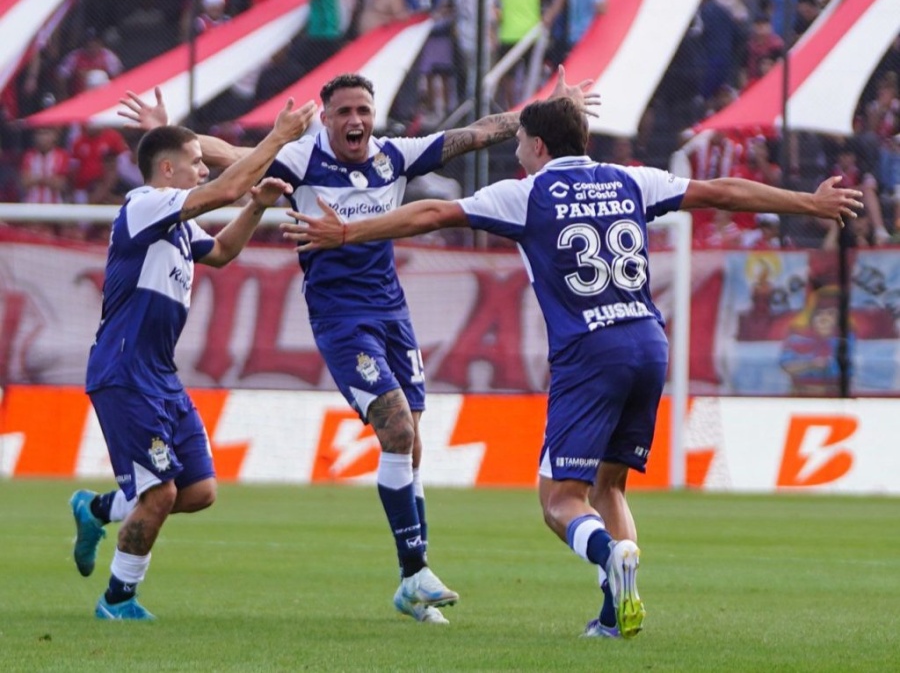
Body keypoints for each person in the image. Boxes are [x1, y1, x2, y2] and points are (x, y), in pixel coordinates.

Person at [281, 96, 864, 637]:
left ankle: (610, 556)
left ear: (537, 145)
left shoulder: (526, 193)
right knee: (610, 486)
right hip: (649, 343)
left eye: (520, 143)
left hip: (590, 352)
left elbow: (431, 213)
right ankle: (613, 615)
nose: (517, 152)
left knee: (560, 501)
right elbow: (723, 193)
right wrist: (807, 203)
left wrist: (348, 231)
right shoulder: (631, 179)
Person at [117, 68, 599, 625]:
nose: (355, 120)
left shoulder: (394, 156)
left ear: (374, 115)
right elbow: (232, 156)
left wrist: (546, 112)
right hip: (340, 319)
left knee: (411, 444)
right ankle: (415, 572)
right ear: (324, 118)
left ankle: (412, 582)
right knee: (396, 430)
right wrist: (168, 134)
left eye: (363, 111)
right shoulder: (302, 158)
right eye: (344, 112)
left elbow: (478, 133)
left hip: (393, 315)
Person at [69, 96, 316, 620]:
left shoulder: (176, 225)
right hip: (125, 372)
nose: (204, 169)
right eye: (196, 162)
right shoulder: (144, 205)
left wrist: (257, 206)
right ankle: (117, 600)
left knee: (199, 491)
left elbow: (222, 253)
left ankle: (97, 508)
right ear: (166, 170)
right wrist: (278, 137)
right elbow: (224, 189)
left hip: (159, 375)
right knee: (159, 494)